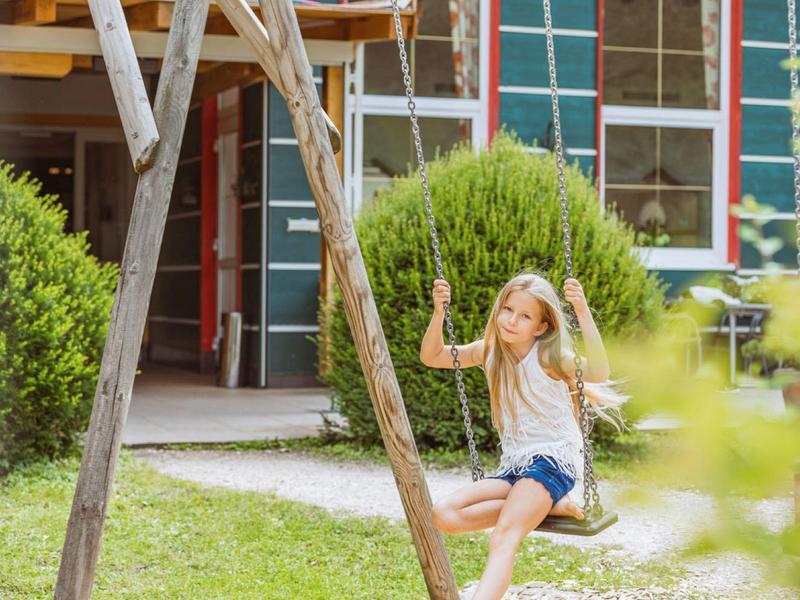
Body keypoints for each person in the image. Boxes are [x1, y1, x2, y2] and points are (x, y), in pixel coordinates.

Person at [419, 270, 626, 600]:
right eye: (508, 309)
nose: (512, 320)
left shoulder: (548, 357)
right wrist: (438, 313)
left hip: (552, 463)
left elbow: (599, 372)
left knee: (504, 536)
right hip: (514, 468)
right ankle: (548, 506)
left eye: (525, 315)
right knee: (444, 514)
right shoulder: (488, 351)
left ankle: (539, 503)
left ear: (541, 327)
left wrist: (583, 311)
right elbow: (432, 356)